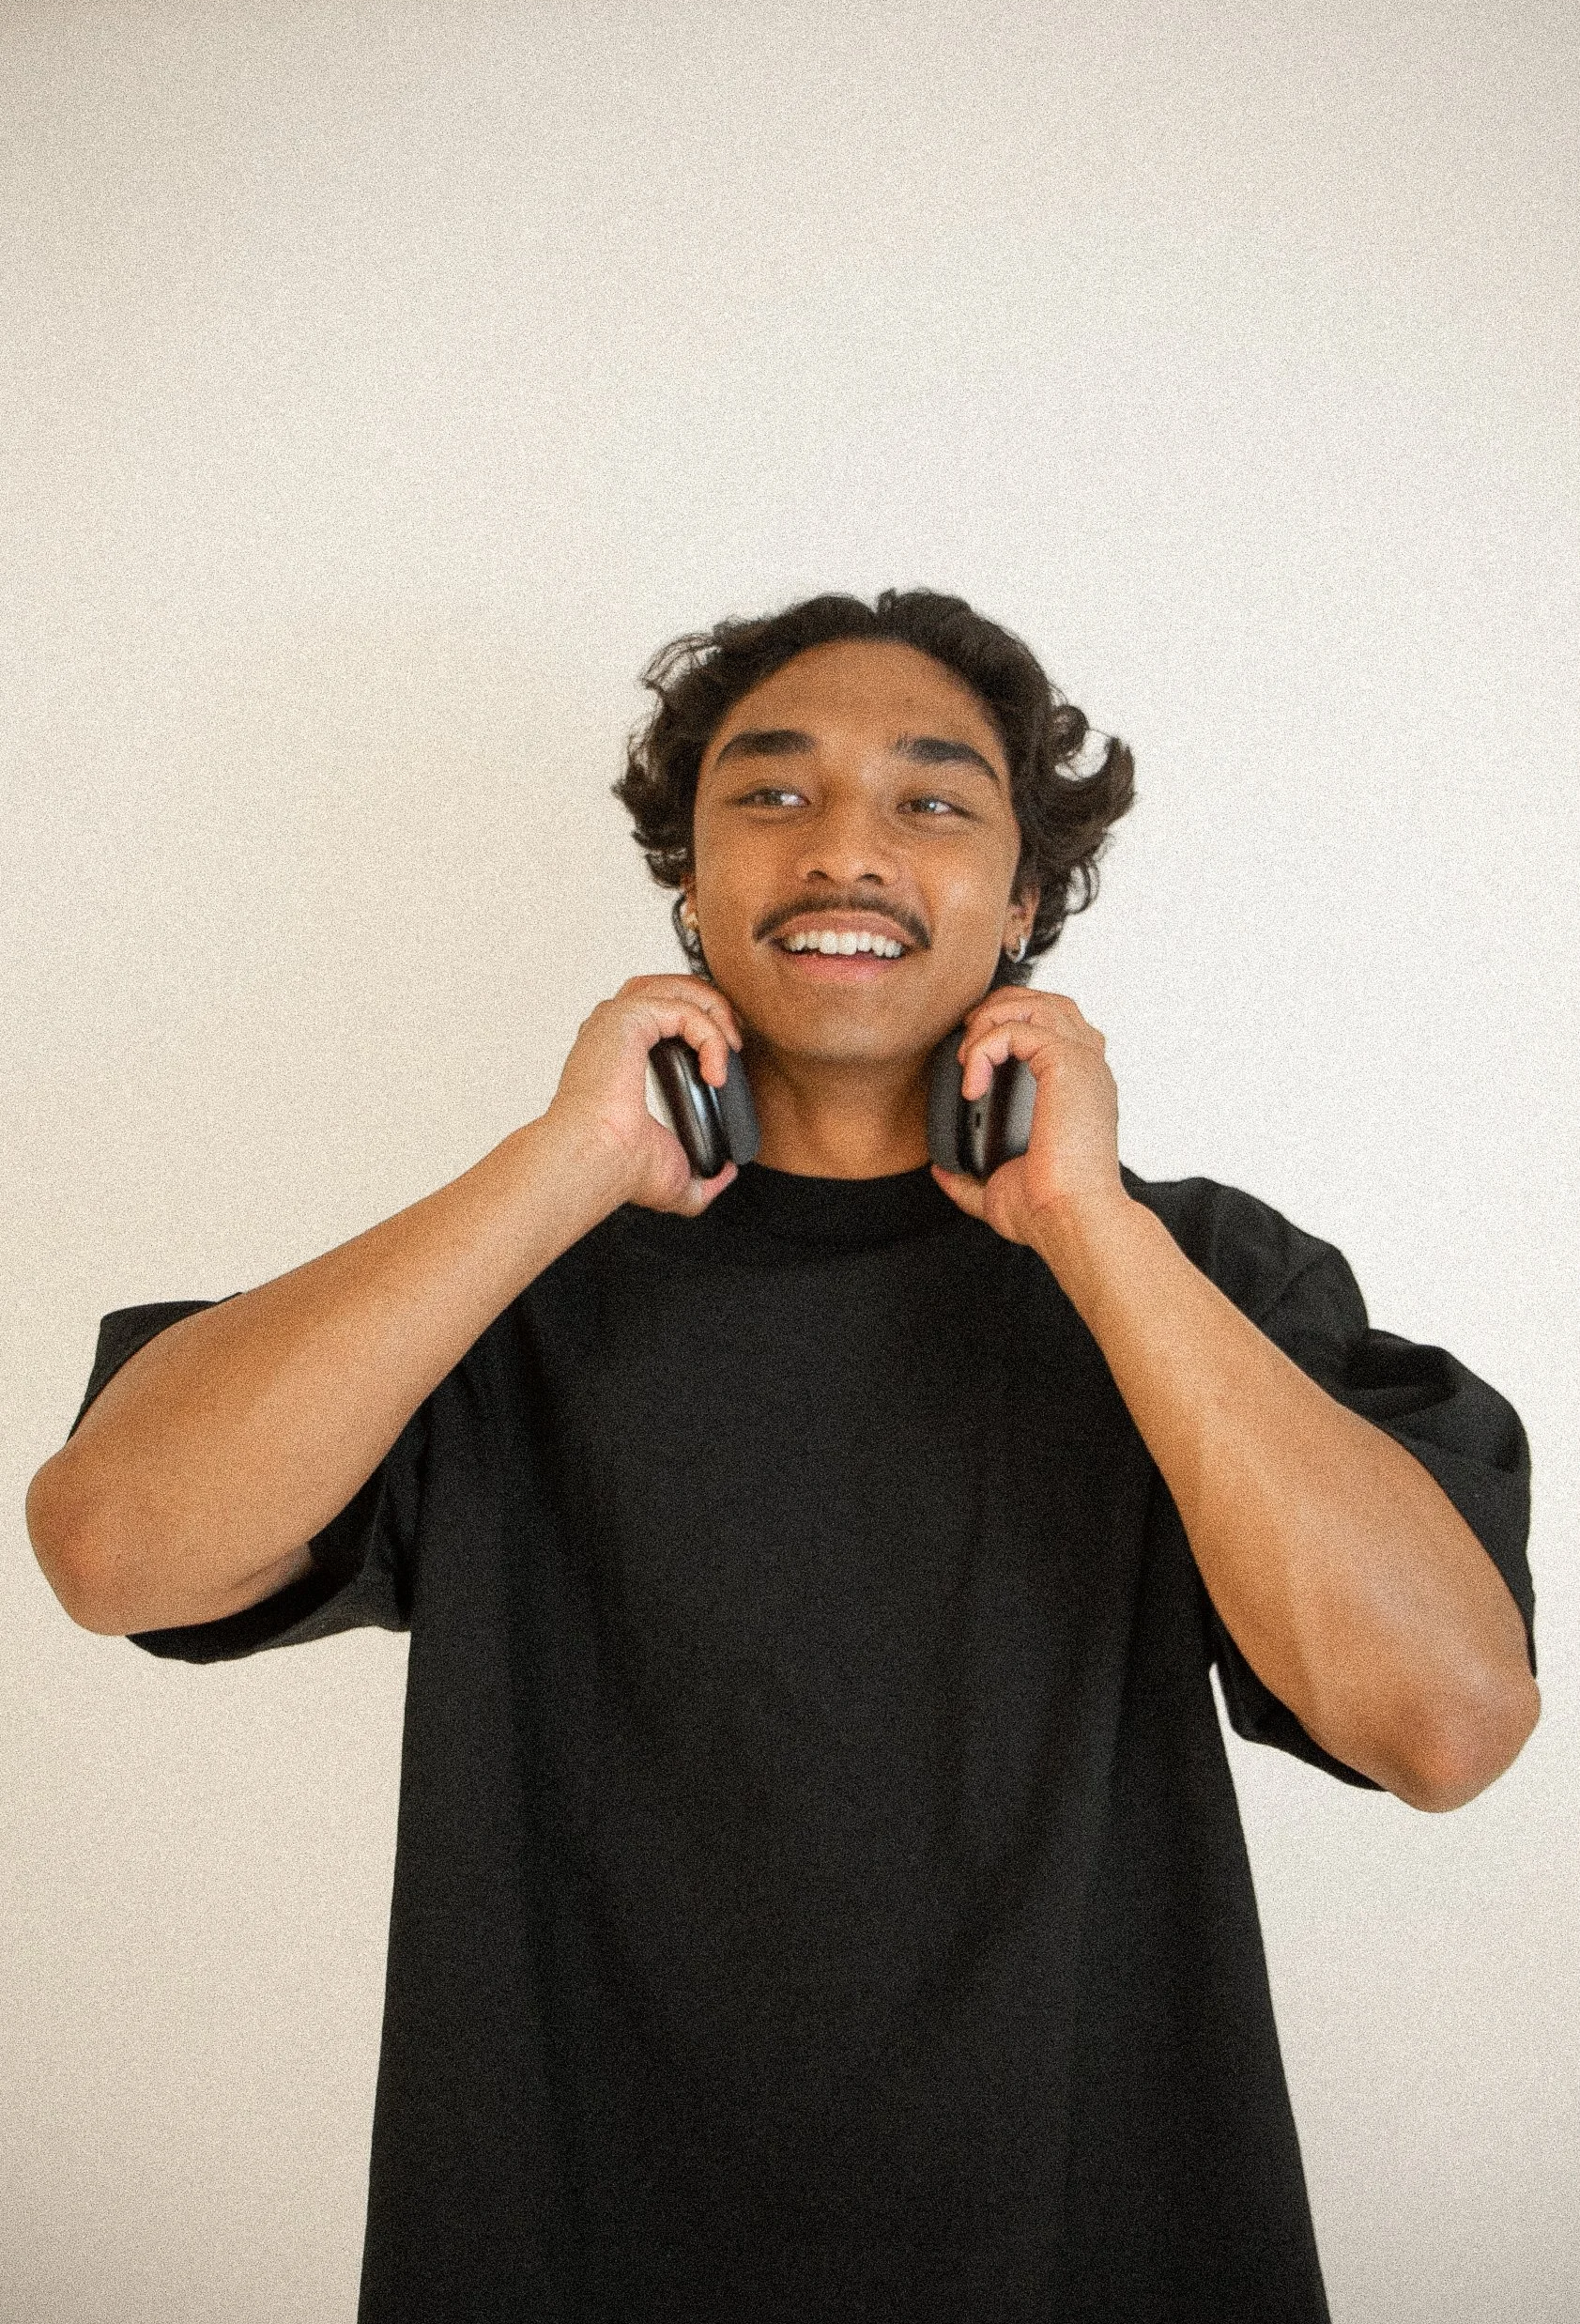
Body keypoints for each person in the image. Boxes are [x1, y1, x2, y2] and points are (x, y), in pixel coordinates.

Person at [27, 589, 1539, 2324]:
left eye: (932, 800)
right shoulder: (505, 1277)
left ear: (1025, 900)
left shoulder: (1192, 1276)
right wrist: (559, 1163)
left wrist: (1091, 1231)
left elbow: (1443, 1726)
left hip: (1097, 2248)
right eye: (771, 792)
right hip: (564, 2251)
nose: (844, 850)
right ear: (689, 880)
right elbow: (114, 1548)